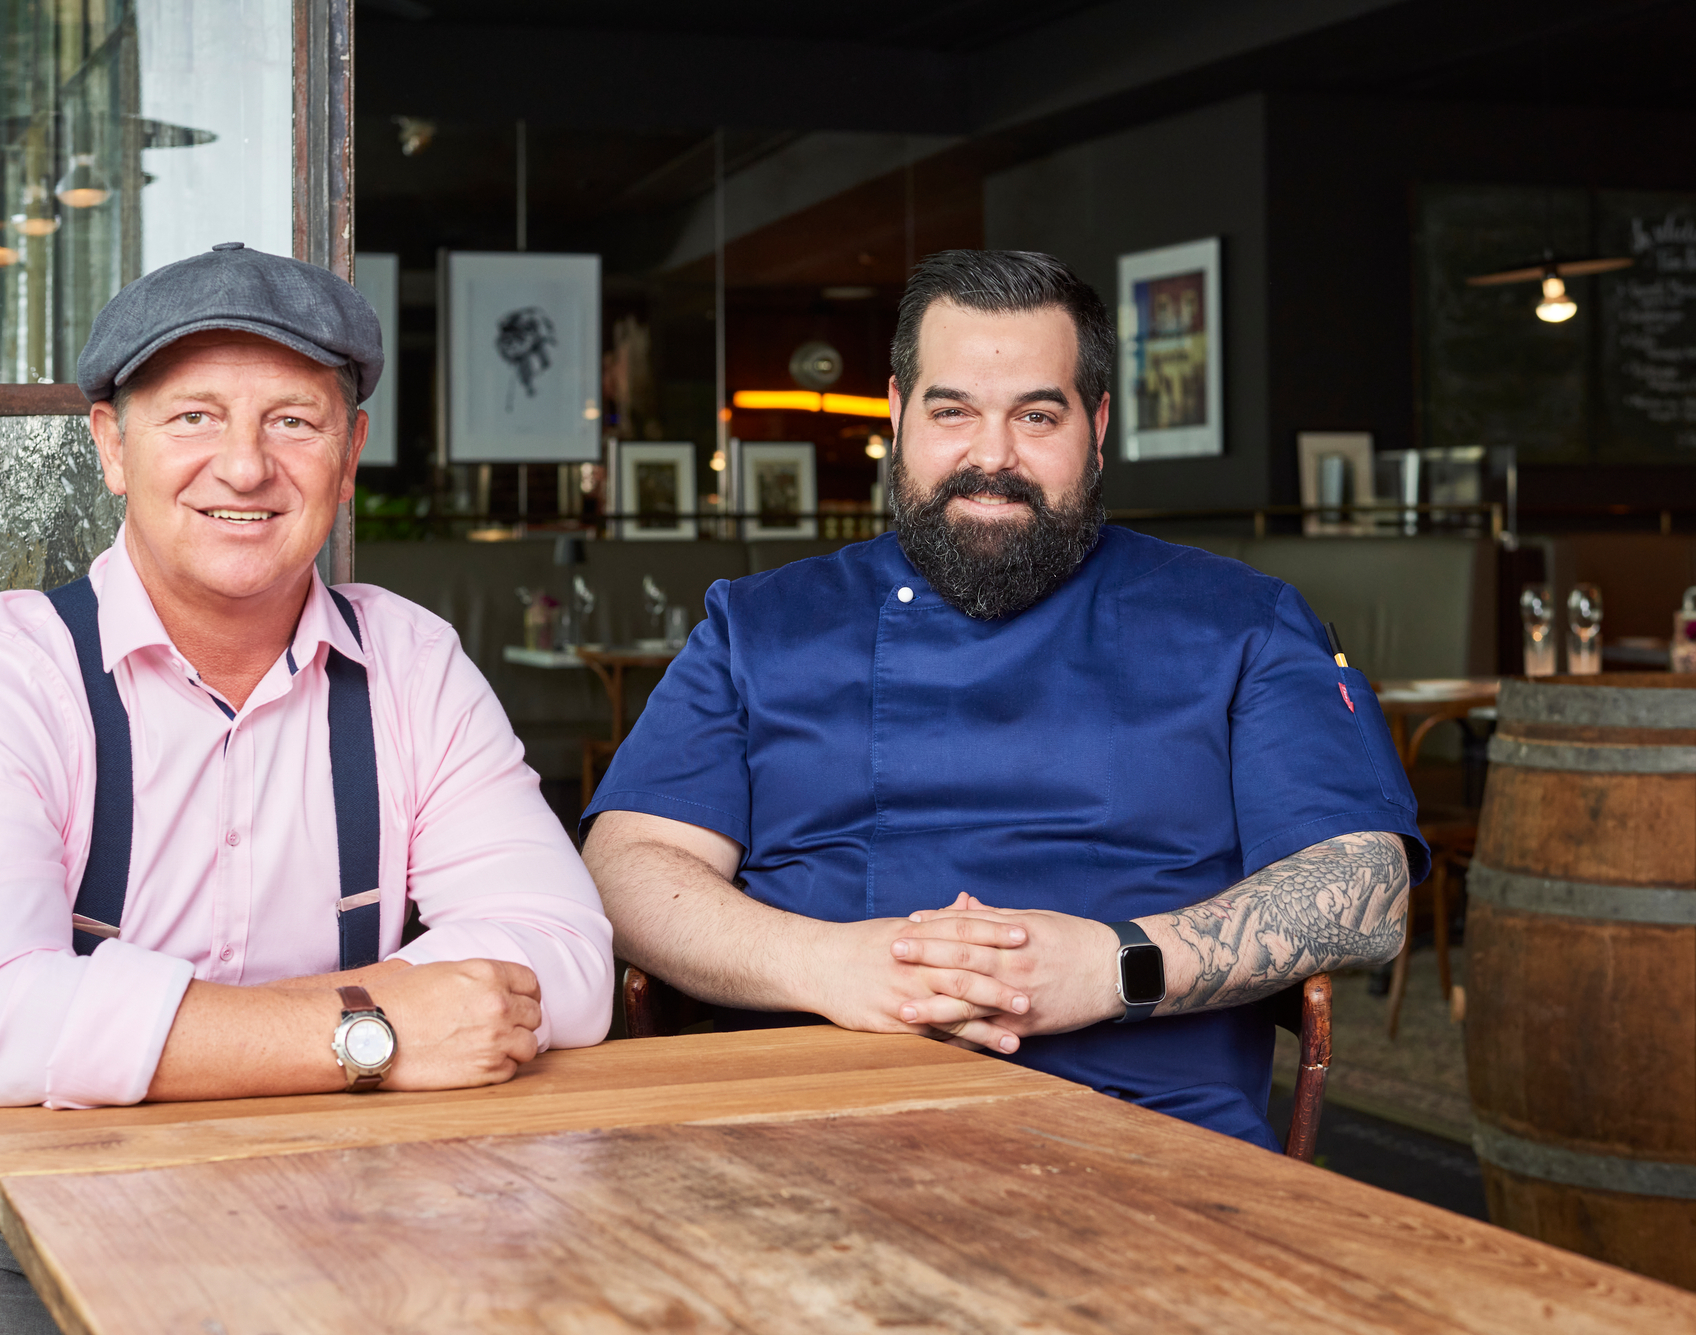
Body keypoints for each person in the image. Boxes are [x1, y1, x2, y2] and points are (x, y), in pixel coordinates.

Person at [0, 243, 613, 1334]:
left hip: (363, 1183)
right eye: (193, 417)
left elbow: (568, 961)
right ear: (112, 446)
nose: (245, 467)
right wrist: (378, 1028)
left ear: (349, 455)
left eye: (293, 422)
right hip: (2, 1217)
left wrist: (128, 1028)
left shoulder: (412, 664)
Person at [582, 249, 1424, 1151]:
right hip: (803, 1122)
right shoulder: (758, 626)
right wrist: (828, 964)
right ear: (899, 413)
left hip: (1148, 1139)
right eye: (952, 411)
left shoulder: (1240, 622)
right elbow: (625, 864)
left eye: (1036, 415)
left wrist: (1116, 965)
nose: (992, 456)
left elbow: (1367, 885)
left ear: (1098, 425)